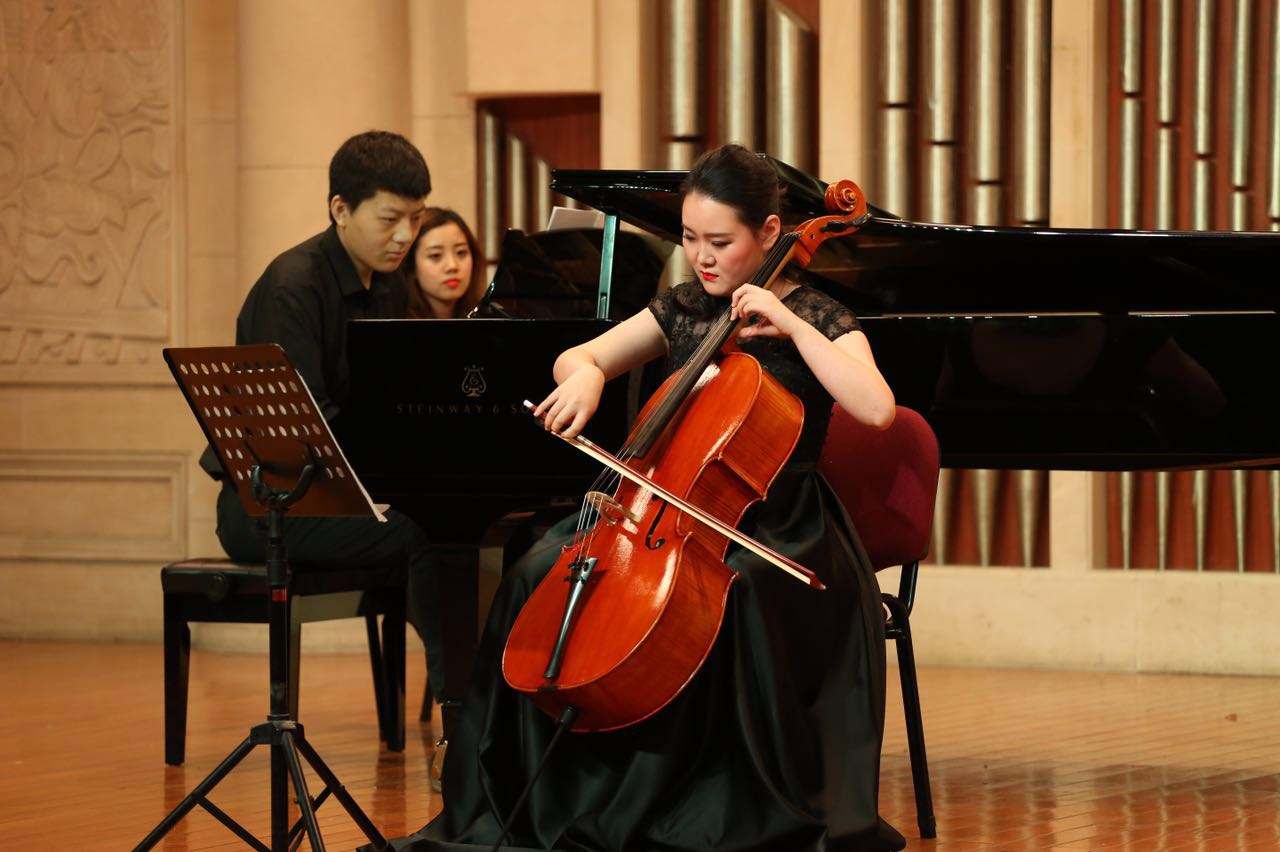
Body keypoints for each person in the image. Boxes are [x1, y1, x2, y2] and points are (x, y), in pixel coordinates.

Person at [389, 144, 906, 851]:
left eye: (719, 241)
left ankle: (698, 809)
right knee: (535, 571)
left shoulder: (820, 313)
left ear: (770, 231)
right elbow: (584, 355)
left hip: (780, 525)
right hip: (668, 511)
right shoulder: (687, 306)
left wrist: (791, 326)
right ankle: (541, 796)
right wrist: (584, 374)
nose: (702, 257)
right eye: (689, 238)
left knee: (732, 599)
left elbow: (876, 408)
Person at [200, 130, 450, 743]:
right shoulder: (293, 287)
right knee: (428, 531)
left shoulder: (389, 284)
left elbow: (393, 406)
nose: (405, 237)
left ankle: (480, 698)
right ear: (340, 209)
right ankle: (460, 710)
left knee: (463, 522)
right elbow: (305, 428)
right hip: (269, 503)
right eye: (390, 219)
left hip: (343, 492)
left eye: (415, 219)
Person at [405, 208, 487, 319]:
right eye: (436, 255)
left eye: (461, 252)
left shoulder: (487, 317)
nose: (452, 266)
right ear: (411, 265)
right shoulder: (395, 320)